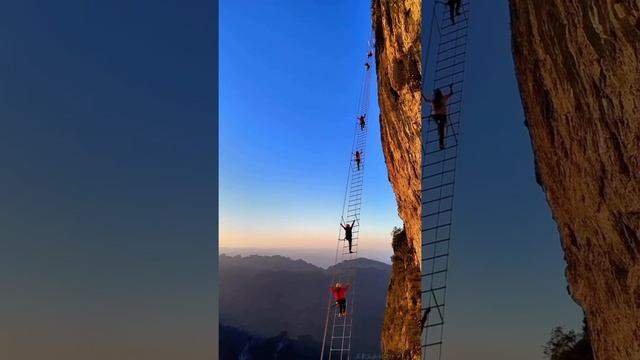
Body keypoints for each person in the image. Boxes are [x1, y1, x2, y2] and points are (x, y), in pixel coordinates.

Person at [425, 84, 453, 150]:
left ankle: (441, 144)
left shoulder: (435, 100)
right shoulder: (442, 98)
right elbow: (451, 93)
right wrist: (451, 88)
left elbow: (426, 100)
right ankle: (441, 144)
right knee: (441, 130)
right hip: (441, 116)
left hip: (437, 116)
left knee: (441, 129)